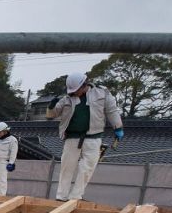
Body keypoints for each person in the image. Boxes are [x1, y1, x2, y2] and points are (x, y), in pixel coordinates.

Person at [46, 72, 124, 201]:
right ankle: (61, 197)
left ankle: (75, 197)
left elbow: (112, 111)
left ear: (84, 85)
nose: (74, 93)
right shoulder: (67, 99)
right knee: (67, 167)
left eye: (77, 90)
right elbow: (51, 115)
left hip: (93, 137)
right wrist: (51, 107)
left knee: (87, 168)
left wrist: (118, 128)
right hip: (72, 137)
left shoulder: (102, 94)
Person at [0, 122, 19, 196]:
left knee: (2, 181)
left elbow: (13, 153)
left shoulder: (12, 140)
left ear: (5, 131)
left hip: (3, 163)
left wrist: (11, 163)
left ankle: (1, 197)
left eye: (0, 133)